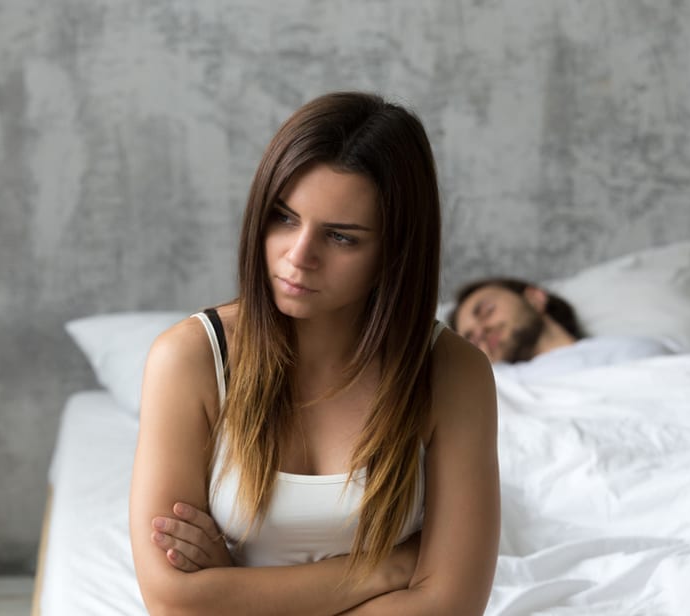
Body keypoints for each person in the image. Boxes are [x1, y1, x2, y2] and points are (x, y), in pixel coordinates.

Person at [129, 92, 500, 615]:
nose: (298, 256)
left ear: (395, 252)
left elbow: (450, 606)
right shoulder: (189, 359)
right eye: (284, 217)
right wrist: (381, 569)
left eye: (341, 237)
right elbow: (173, 603)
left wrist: (230, 591)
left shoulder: (453, 372)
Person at [449, 278, 672, 382]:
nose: (480, 331)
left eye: (487, 311)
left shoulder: (635, 350)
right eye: (471, 339)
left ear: (535, 298)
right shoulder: (495, 390)